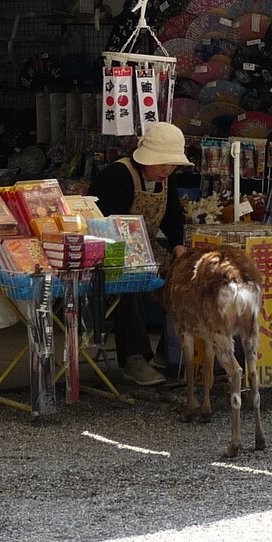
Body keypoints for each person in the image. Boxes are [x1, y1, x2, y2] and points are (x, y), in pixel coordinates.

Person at [87, 121, 192, 387]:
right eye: (162, 164)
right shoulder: (117, 175)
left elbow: (172, 215)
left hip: (148, 246)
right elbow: (103, 223)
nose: (167, 170)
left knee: (184, 281)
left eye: (172, 165)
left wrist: (179, 249)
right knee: (128, 285)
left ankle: (170, 353)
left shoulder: (166, 179)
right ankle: (135, 359)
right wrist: (132, 256)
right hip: (112, 251)